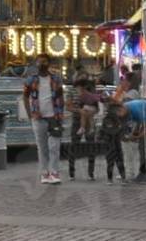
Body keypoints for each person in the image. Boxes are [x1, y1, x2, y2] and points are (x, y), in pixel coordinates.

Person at [22, 54, 64, 185]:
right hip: (38, 116)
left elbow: (61, 96)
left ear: (49, 63)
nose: (42, 64)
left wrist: (61, 114)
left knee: (55, 146)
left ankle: (54, 172)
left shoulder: (56, 79)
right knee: (42, 147)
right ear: (36, 64)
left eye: (44, 61)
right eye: (39, 62)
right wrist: (29, 114)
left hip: (54, 116)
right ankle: (45, 172)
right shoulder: (31, 80)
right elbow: (25, 96)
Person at [111, 99, 146, 182]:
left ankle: (145, 173)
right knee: (143, 147)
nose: (120, 116)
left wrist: (137, 137)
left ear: (122, 108)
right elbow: (139, 121)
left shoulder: (135, 109)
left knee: (145, 147)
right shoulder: (127, 108)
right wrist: (135, 133)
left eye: (119, 114)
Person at [67, 78, 100, 180]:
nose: (80, 88)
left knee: (91, 146)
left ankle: (91, 173)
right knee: (73, 145)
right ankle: (71, 173)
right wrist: (79, 111)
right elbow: (68, 106)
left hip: (89, 120)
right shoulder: (71, 91)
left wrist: (92, 112)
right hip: (77, 120)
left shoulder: (90, 91)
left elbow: (97, 107)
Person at [97, 106, 126, 183]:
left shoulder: (118, 120)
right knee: (111, 162)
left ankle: (123, 178)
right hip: (110, 144)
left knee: (119, 161)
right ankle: (110, 179)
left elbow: (121, 131)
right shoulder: (108, 120)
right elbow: (110, 131)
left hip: (116, 143)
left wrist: (122, 133)